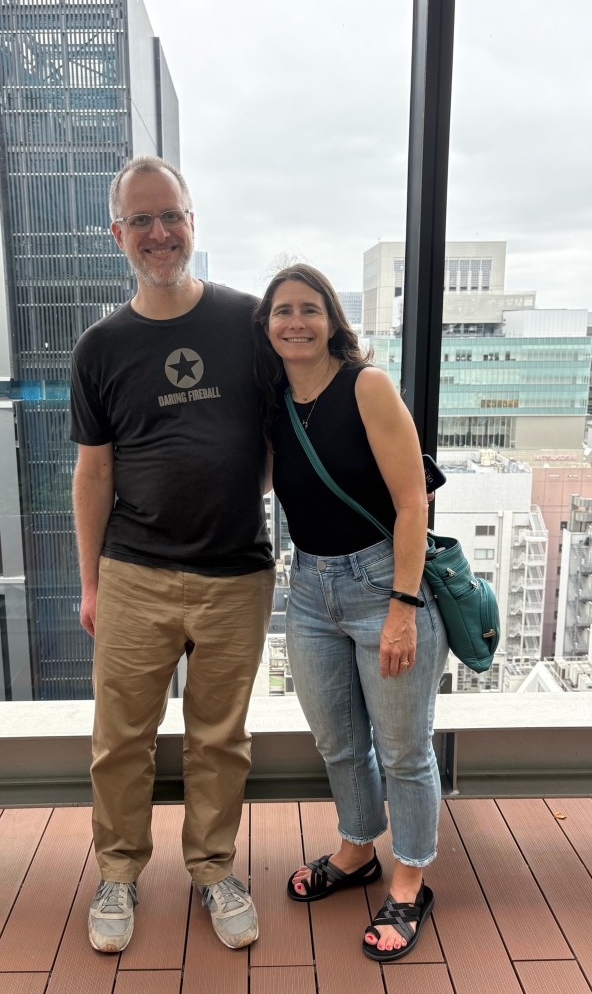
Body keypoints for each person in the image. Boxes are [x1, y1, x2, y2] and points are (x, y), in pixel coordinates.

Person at [70, 155, 275, 954]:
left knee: (219, 737)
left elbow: (275, 437)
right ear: (117, 234)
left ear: (194, 221)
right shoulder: (100, 346)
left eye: (172, 216)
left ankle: (213, 869)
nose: (160, 233)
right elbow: (93, 472)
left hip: (236, 573)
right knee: (120, 738)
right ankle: (118, 873)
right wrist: (90, 584)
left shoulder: (248, 323)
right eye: (143, 221)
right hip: (134, 572)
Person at [252, 264, 449, 962]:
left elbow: (411, 501)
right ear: (267, 326)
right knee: (338, 742)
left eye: (309, 308)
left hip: (380, 584)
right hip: (307, 589)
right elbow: (262, 476)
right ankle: (358, 849)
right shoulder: (275, 402)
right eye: (282, 311)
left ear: (333, 319)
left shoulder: (367, 386)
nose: (295, 321)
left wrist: (401, 604)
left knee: (403, 750)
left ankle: (410, 877)